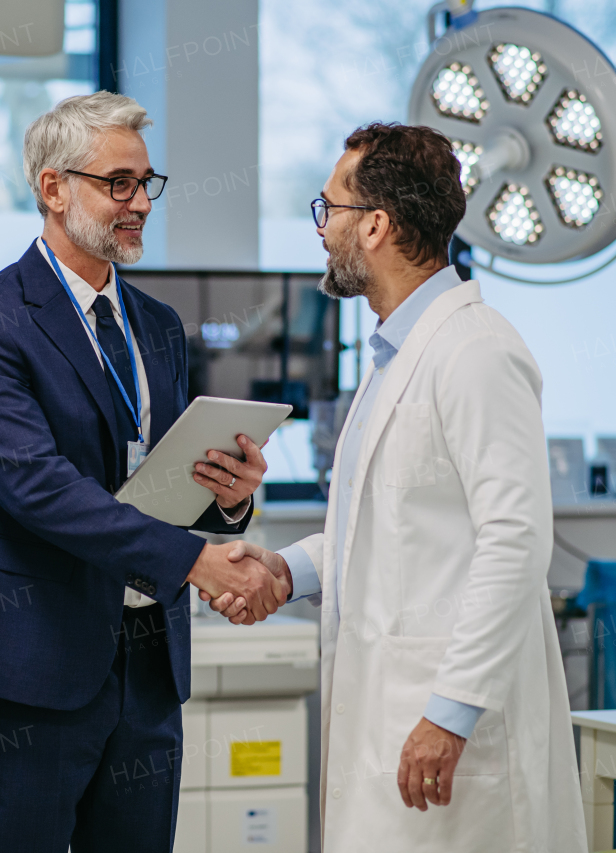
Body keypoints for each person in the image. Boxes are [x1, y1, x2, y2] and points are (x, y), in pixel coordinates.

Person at [209, 123, 588, 852]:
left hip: (451, 723)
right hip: (391, 712)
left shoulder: (476, 350)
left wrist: (450, 711)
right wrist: (289, 571)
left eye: (329, 211)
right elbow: (385, 525)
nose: (321, 232)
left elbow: (517, 540)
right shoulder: (395, 352)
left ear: (376, 225)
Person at [0, 91, 288, 853]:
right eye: (117, 183)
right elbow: (38, 487)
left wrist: (225, 502)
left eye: (146, 184)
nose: (138, 204)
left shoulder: (157, 324)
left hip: (148, 658)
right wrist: (197, 559)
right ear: (53, 187)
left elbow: (165, 475)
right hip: (35, 657)